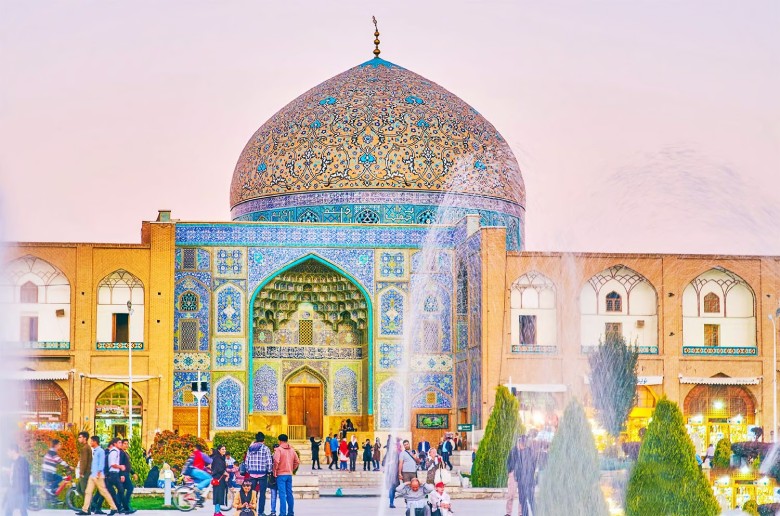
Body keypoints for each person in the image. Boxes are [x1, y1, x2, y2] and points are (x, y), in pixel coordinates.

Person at [77, 435, 119, 515]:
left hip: (98, 475)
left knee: (104, 492)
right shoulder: (95, 451)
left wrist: (99, 472)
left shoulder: (100, 451)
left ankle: (114, 508)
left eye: (91, 441)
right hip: (93, 475)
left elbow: (101, 462)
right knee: (88, 492)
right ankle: (85, 510)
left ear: (95, 442)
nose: (90, 442)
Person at [506, 435, 538, 516]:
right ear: (519, 442)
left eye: (525, 444)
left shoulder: (528, 451)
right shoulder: (514, 451)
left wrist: (530, 475)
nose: (524, 445)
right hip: (514, 474)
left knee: (525, 498)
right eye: (522, 444)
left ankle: (521, 514)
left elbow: (533, 464)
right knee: (511, 495)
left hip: (524, 476)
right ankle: (508, 513)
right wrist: (510, 471)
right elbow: (509, 461)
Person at [244, 432, 273, 516]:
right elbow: (269, 461)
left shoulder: (250, 448)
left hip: (252, 473)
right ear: (263, 439)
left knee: (252, 493)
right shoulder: (265, 448)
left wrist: (248, 470)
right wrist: (269, 471)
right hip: (262, 474)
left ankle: (252, 510)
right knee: (262, 494)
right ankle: (261, 512)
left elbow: (247, 461)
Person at [273, 434, 299, 516]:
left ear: (279, 441)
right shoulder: (292, 450)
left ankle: (283, 513)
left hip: (281, 474)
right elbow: (297, 461)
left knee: (282, 495)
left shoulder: (279, 450)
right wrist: (292, 469)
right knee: (289, 494)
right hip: (289, 474)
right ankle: (290, 513)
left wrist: (275, 471)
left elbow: (276, 461)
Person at [6, 444, 30, 516]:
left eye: (8, 451)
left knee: (22, 510)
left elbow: (23, 477)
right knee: (9, 510)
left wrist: (18, 491)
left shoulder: (22, 461)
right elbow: (16, 475)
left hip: (20, 491)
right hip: (15, 489)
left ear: (13, 451)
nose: (7, 453)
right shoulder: (15, 461)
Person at [211, 444, 229, 516]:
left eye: (224, 449)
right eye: (222, 449)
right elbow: (219, 469)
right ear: (219, 450)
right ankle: (216, 512)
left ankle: (218, 511)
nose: (224, 450)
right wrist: (226, 474)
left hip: (221, 479)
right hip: (218, 479)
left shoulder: (222, 457)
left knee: (220, 495)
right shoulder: (217, 458)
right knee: (217, 495)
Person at [119, 439, 136, 514]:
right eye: (125, 443)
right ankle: (126, 505)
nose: (126, 445)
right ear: (121, 444)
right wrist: (122, 474)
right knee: (130, 488)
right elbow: (121, 464)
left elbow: (127, 465)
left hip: (126, 473)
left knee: (120, 491)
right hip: (123, 474)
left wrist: (133, 473)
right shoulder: (121, 453)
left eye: (127, 444)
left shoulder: (125, 453)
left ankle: (119, 506)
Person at [384, 440, 400, 509]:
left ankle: (392, 501)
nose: (395, 448)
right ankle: (391, 502)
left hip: (395, 474)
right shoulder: (389, 454)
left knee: (393, 489)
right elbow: (384, 462)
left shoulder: (398, 454)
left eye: (395, 447)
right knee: (392, 488)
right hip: (391, 474)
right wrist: (389, 463)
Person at [77, 432, 92, 498]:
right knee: (79, 488)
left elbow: (84, 461)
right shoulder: (86, 447)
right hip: (87, 471)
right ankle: (90, 505)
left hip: (86, 472)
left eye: (80, 437)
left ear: (85, 438)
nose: (78, 439)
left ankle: (92, 505)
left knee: (84, 490)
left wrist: (82, 472)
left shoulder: (85, 448)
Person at [268, 445, 279, 516]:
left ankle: (283, 512)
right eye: (274, 451)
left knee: (283, 496)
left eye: (277, 451)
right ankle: (273, 512)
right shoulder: (270, 458)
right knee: (273, 496)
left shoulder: (282, 457)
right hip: (273, 479)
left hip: (280, 478)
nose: (275, 452)